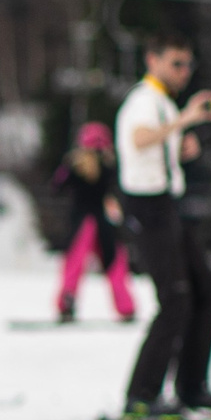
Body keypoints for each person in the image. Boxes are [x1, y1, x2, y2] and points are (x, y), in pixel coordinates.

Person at [115, 34, 211, 420]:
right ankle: (141, 394)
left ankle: (192, 386)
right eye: (175, 64)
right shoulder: (143, 100)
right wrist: (185, 121)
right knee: (175, 299)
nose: (183, 72)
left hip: (167, 205)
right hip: (147, 206)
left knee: (206, 289)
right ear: (153, 60)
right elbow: (139, 138)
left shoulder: (163, 103)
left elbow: (155, 142)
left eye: (187, 65)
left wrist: (180, 144)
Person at [50, 123, 134, 323]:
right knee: (115, 263)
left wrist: (66, 166)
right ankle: (126, 307)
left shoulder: (75, 166)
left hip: (83, 222)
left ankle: (66, 305)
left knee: (74, 263)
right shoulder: (110, 166)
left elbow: (56, 187)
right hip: (104, 223)